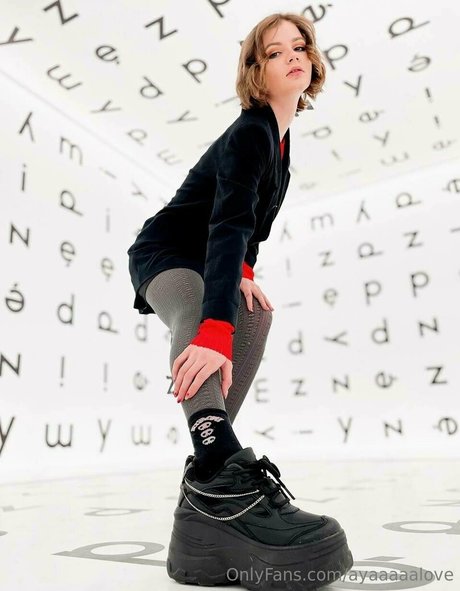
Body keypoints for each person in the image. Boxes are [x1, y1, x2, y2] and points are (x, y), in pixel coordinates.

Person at [127, 12, 353, 590]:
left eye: (300, 47)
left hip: (209, 254)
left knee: (256, 310)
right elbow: (226, 225)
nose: (293, 56)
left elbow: (247, 230)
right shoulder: (252, 130)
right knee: (203, 307)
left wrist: (245, 274)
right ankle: (222, 472)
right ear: (257, 69)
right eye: (276, 52)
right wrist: (213, 331)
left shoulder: (280, 145)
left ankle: (210, 491)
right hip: (166, 251)